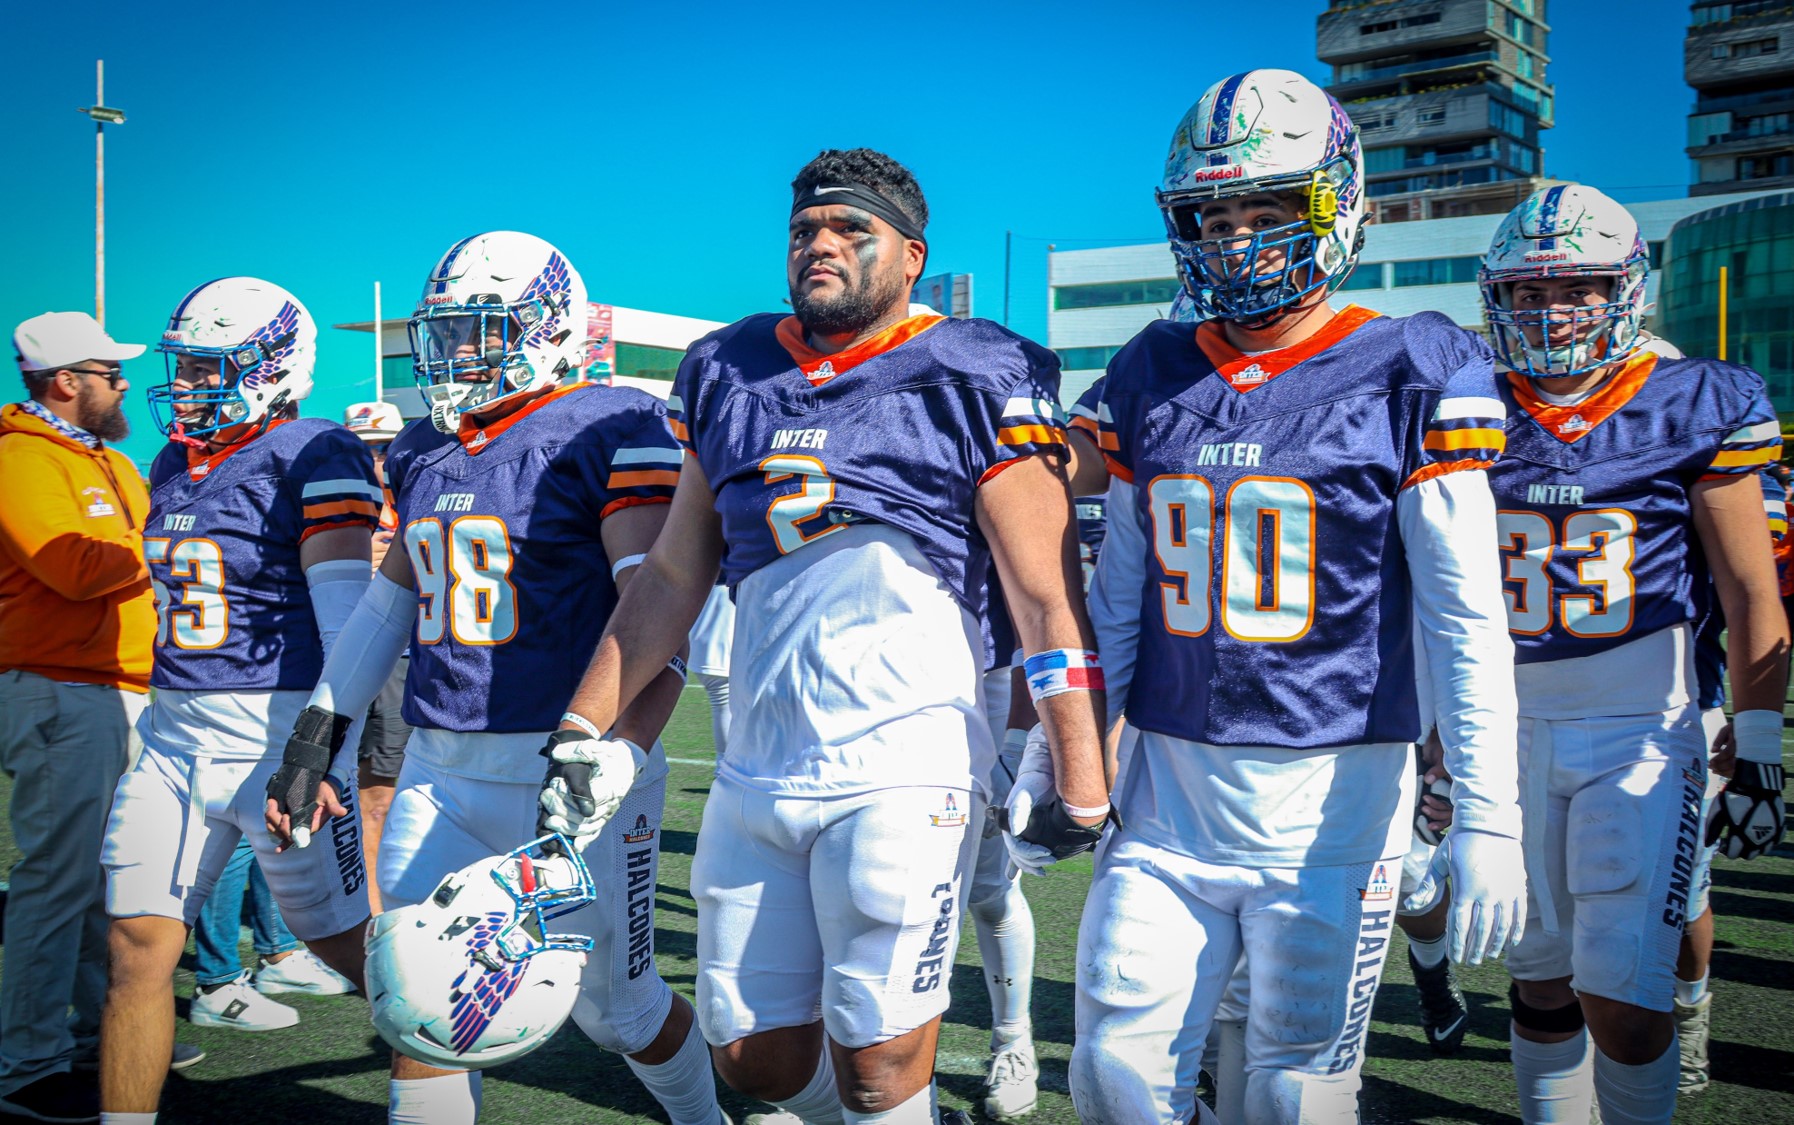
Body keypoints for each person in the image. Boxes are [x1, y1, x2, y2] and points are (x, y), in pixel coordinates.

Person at [549, 148, 1107, 1124]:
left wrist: (1079, 775)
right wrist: (584, 729)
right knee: (752, 1058)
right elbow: (674, 576)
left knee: (882, 1062)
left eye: (853, 230)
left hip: (907, 755)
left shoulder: (975, 367)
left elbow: (1044, 593)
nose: (822, 245)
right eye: (807, 229)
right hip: (760, 761)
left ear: (910, 256)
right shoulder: (728, 369)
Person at [1063, 70, 1524, 1124]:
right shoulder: (1153, 366)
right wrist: (1069, 759)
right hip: (1170, 798)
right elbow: (1119, 599)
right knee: (1111, 1078)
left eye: (1268, 210)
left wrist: (1491, 815)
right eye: (1213, 217)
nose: (1238, 239)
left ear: (1336, 203)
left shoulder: (1414, 362)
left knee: (1290, 1096)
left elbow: (1465, 615)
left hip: (1335, 810)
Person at [267, 231, 723, 1125]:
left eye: (481, 329)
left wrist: (618, 750)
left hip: (572, 767)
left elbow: (657, 611)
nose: (459, 353)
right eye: (449, 331)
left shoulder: (612, 427)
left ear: (546, 328)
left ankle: (704, 1119)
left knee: (617, 1013)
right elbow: (388, 605)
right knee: (419, 1001)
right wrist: (318, 734)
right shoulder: (427, 448)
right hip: (440, 769)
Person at [1475, 183, 1788, 1124]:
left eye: (1574, 285)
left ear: (1626, 291)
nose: (1549, 308)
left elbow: (1749, 589)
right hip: (1509, 724)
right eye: (1526, 292)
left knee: (1624, 998)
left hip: (1642, 725)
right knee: (1539, 979)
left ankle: (1680, 1019)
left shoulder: (1694, 400)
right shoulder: (1467, 402)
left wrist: (1762, 740)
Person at [97, 278, 379, 1125]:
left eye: (208, 368)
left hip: (270, 738)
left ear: (272, 366)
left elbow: (350, 630)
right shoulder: (174, 461)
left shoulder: (314, 450)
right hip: (172, 737)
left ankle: (441, 1087)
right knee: (136, 951)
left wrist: (318, 753)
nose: (186, 388)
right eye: (183, 370)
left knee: (362, 955)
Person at [0, 312, 157, 1124]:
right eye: (111, 371)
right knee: (57, 880)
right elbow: (70, 564)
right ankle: (25, 1061)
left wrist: (144, 538)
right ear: (68, 381)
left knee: (106, 876)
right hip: (62, 686)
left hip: (112, 686)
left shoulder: (108, 460)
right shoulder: (21, 455)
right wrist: (158, 543)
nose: (124, 382)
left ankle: (95, 1032)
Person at [343, 400, 412, 913]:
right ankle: (365, 923)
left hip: (402, 657)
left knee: (384, 795)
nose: (375, 459)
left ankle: (378, 920)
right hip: (337, 656)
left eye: (385, 446)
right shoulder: (330, 499)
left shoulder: (416, 494)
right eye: (362, 447)